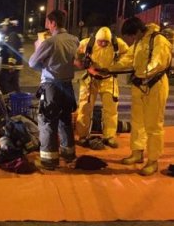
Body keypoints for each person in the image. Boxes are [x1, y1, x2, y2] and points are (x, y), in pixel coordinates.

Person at [102, 17, 172, 176]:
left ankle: (153, 161)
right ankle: (137, 152)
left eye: (131, 36)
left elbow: (158, 63)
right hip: (139, 86)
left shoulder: (158, 40)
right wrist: (109, 68)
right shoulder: (139, 42)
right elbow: (128, 59)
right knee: (137, 121)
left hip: (155, 86)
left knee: (153, 125)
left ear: (138, 31)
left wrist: (143, 74)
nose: (130, 40)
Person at [28, 10, 79, 169]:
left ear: (53, 23)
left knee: (48, 121)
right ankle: (68, 153)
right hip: (67, 86)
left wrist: (39, 49)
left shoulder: (49, 42)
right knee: (65, 119)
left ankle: (49, 159)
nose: (47, 26)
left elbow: (32, 63)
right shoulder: (74, 40)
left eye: (48, 23)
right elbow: (77, 61)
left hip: (51, 86)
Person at [74, 27, 129, 148]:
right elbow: (76, 57)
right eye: (100, 42)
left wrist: (116, 66)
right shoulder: (87, 43)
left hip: (109, 79)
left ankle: (109, 136)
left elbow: (128, 55)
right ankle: (82, 135)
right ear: (96, 39)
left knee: (111, 109)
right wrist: (87, 67)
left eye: (106, 42)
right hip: (90, 79)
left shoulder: (117, 43)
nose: (103, 44)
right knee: (84, 108)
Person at [0, 18, 24, 95]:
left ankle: (10, 98)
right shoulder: (12, 34)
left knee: (2, 80)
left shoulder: (12, 35)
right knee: (14, 84)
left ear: (8, 26)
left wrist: (11, 64)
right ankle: (17, 99)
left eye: (4, 26)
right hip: (12, 66)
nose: (2, 28)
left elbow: (13, 50)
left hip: (9, 66)